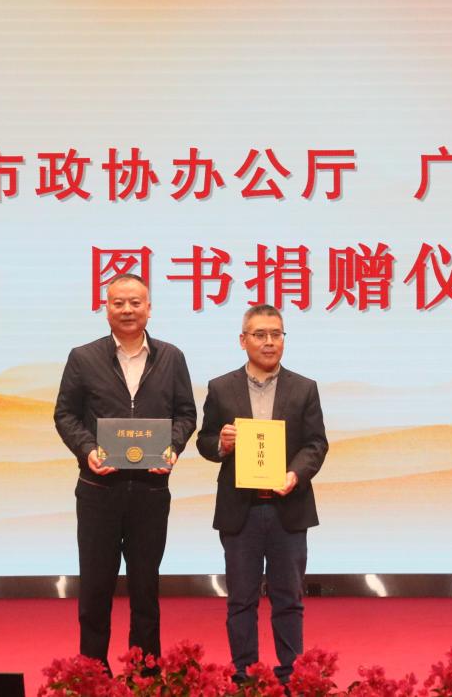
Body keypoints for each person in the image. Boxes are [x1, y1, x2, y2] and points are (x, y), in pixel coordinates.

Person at [53, 273, 197, 670]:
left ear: (149, 308)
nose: (127, 310)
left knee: (145, 589)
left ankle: (145, 673)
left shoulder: (172, 357)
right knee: (95, 588)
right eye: (119, 303)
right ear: (107, 310)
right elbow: (65, 414)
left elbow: (186, 414)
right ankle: (92, 672)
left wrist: (173, 446)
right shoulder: (83, 357)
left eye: (135, 302)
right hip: (98, 491)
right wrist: (87, 450)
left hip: (151, 492)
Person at [197, 304, 329, 684]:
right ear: (243, 340)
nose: (269, 342)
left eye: (276, 334)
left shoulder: (304, 388)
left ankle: (291, 677)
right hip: (242, 511)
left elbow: (316, 444)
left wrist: (294, 474)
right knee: (241, 600)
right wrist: (221, 444)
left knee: (289, 599)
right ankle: (245, 676)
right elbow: (205, 441)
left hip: (288, 507)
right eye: (260, 334)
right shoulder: (221, 387)